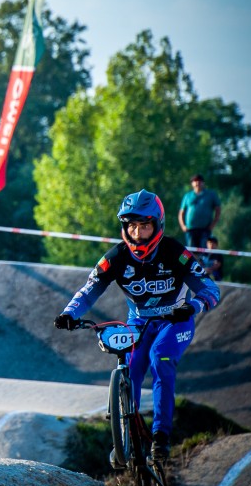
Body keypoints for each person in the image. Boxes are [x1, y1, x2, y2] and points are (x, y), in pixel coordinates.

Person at [54, 189, 220, 463]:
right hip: (138, 322)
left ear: (157, 225)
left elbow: (209, 287)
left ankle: (161, 437)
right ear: (124, 228)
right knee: (128, 369)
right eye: (132, 226)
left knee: (160, 358)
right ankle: (124, 439)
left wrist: (194, 306)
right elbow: (90, 289)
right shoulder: (117, 257)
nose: (138, 233)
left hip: (175, 320)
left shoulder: (174, 252)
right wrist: (69, 312)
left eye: (145, 226)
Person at [178, 173, 220, 250]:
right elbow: (181, 213)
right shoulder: (188, 196)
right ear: (192, 183)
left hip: (205, 229)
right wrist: (183, 226)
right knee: (191, 252)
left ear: (203, 183)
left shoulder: (211, 195)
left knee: (203, 251)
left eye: (200, 181)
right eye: (195, 181)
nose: (197, 183)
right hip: (190, 229)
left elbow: (218, 209)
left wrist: (213, 224)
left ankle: (202, 262)